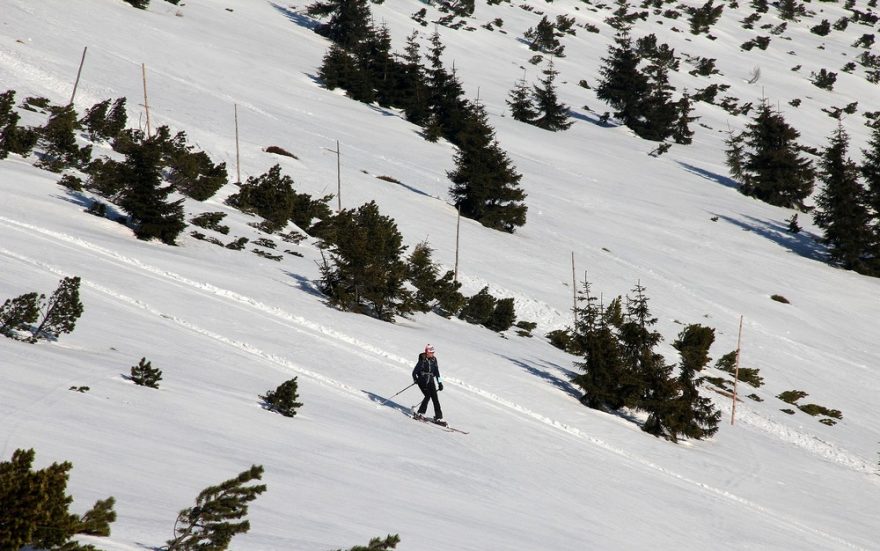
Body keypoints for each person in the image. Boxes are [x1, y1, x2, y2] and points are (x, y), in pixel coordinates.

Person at [412, 344, 443, 422]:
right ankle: (420, 413)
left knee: (435, 398)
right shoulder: (422, 360)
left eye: (433, 352)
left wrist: (440, 383)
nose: (432, 354)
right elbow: (414, 372)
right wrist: (415, 379)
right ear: (427, 352)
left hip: (431, 381)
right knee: (428, 395)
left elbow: (437, 372)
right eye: (431, 352)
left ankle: (438, 417)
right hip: (422, 380)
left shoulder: (434, 360)